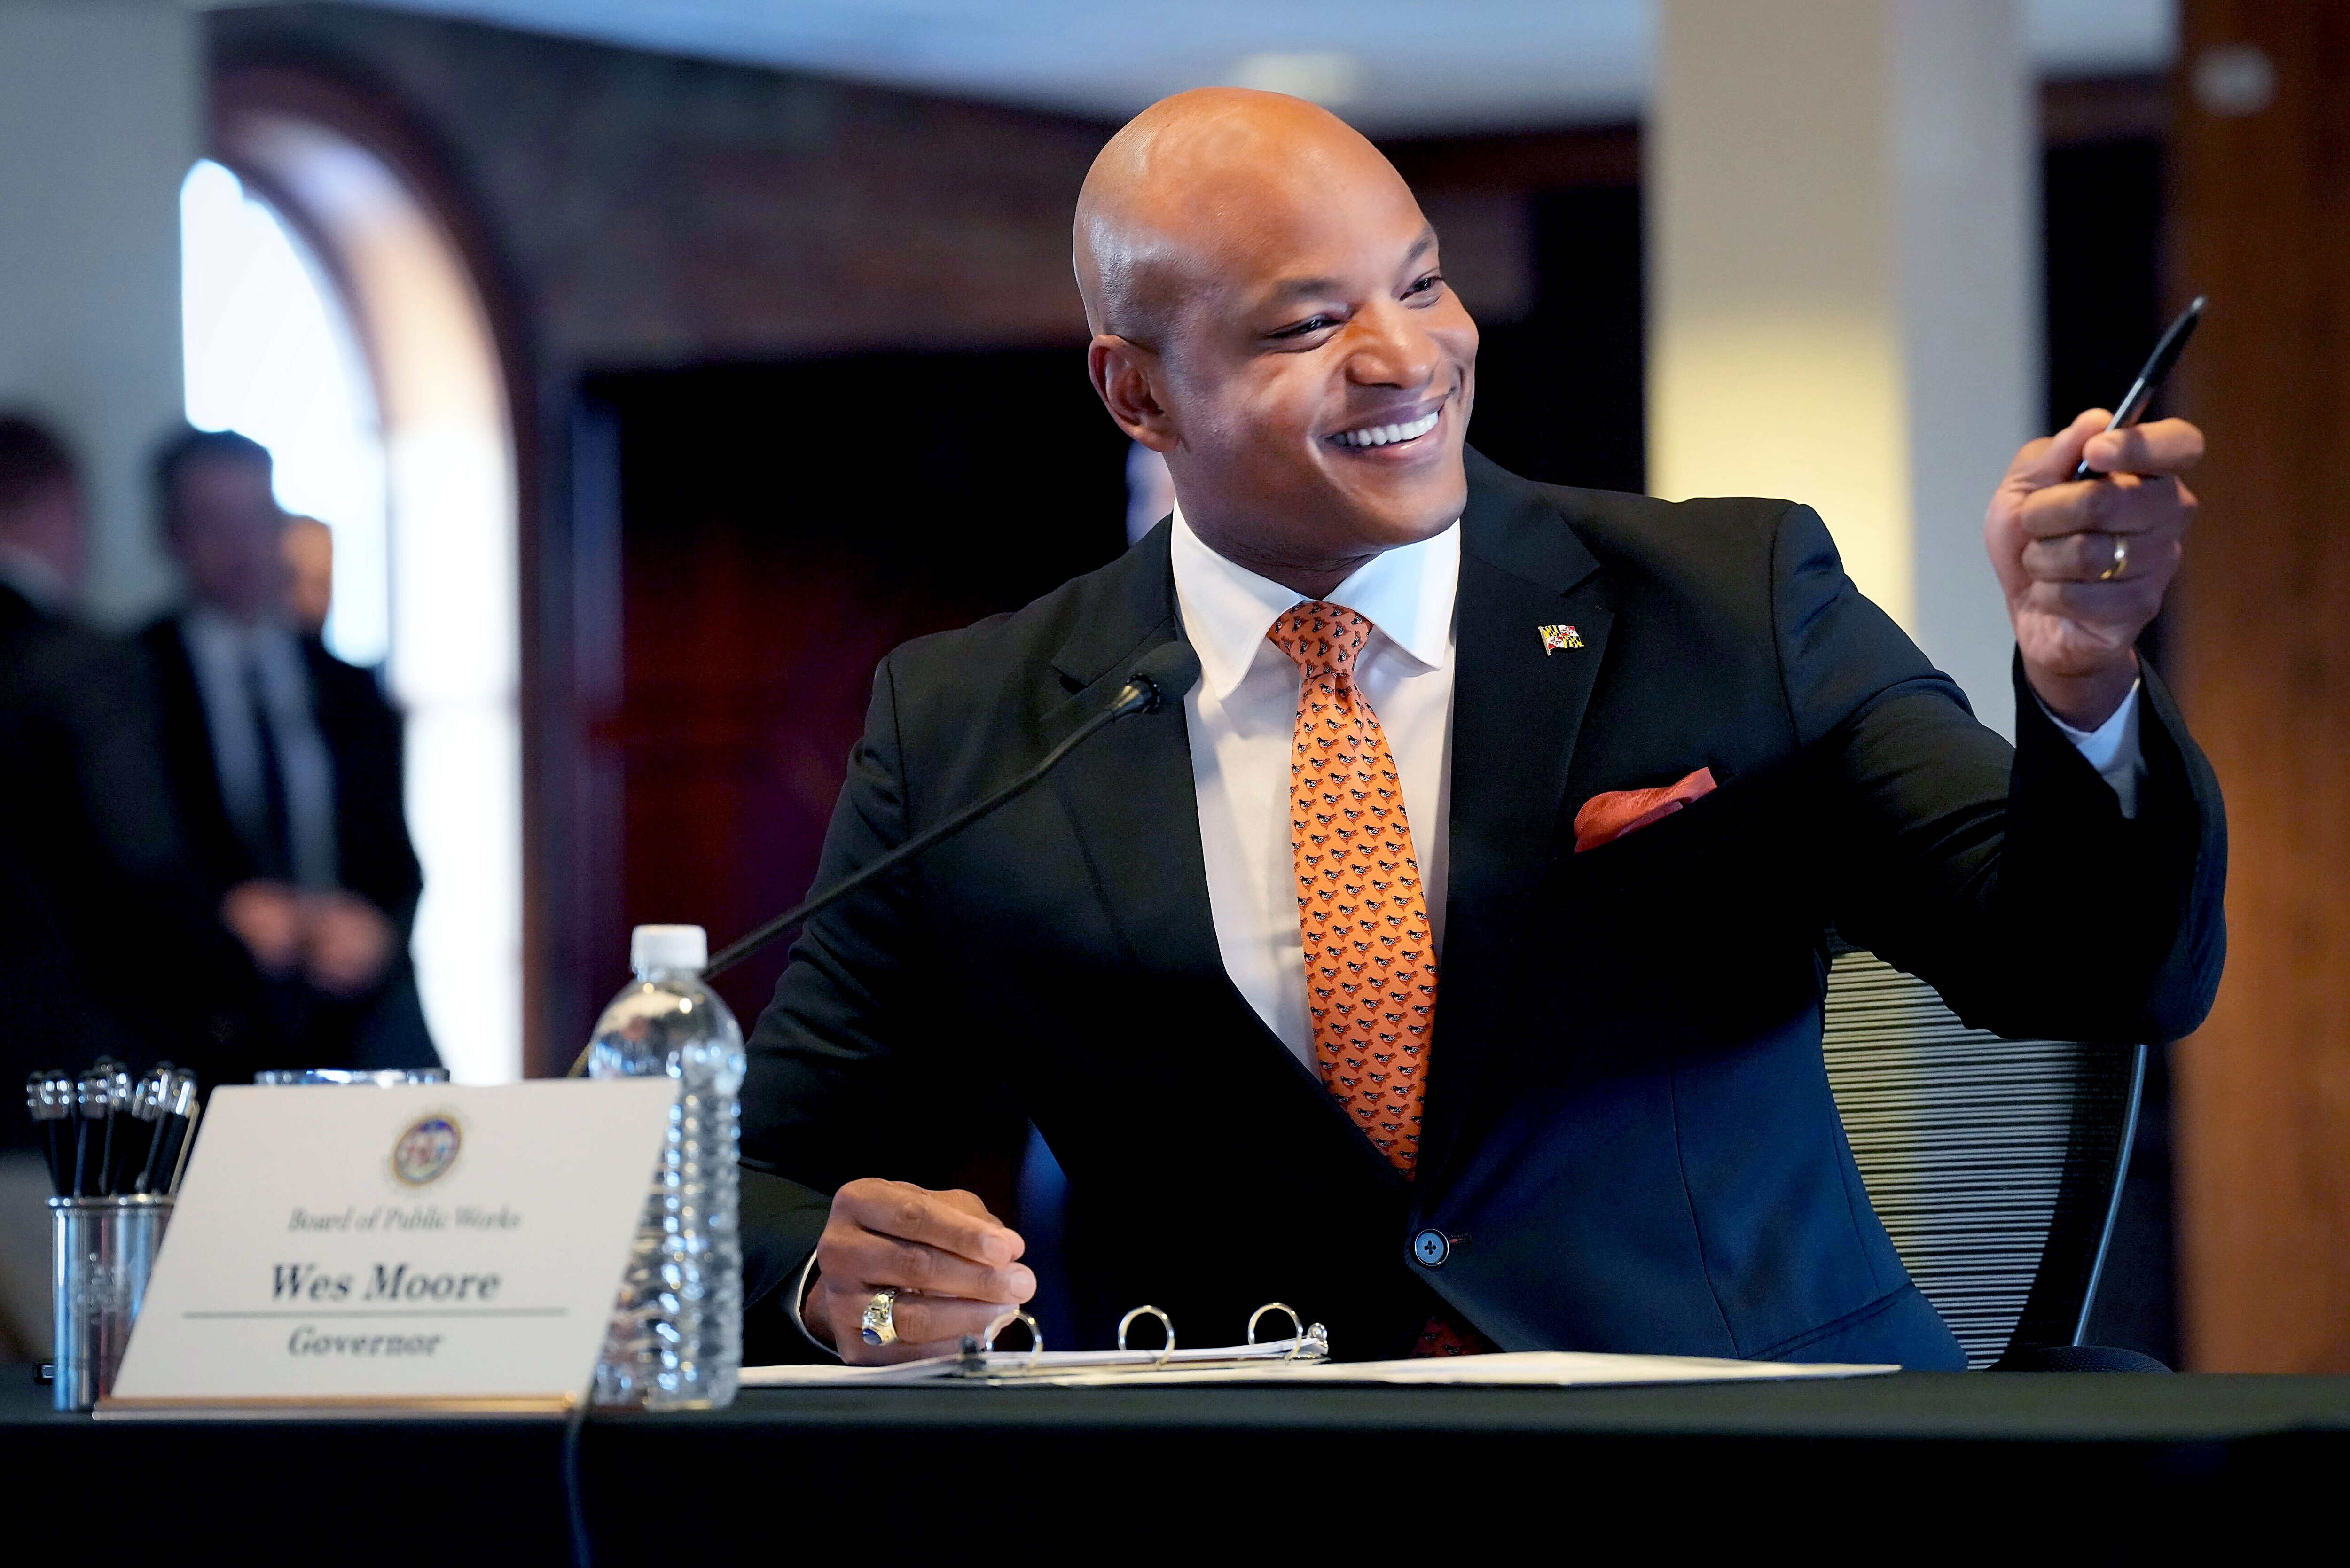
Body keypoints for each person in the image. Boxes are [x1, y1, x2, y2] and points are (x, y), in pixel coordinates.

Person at [737, 90, 2223, 1368]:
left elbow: (2090, 969)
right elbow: (758, 1172)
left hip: (1760, 1474)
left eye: (1424, 284)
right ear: (1137, 391)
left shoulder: (1729, 597)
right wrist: (823, 1272)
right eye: (1312, 324)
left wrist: (2082, 679)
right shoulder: (966, 724)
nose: (1409, 358)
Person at [138, 429, 437, 1076]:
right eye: (213, 522)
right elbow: (120, 861)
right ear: (171, 533)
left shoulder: (348, 685)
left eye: (257, 518)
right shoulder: (130, 681)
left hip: (352, 1020)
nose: (241, 546)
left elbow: (396, 855)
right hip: (200, 1026)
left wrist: (377, 927)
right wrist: (219, 917)